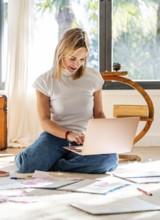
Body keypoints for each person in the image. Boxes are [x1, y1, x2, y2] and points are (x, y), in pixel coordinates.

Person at [15, 28, 118, 174]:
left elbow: (99, 113)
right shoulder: (44, 81)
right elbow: (44, 121)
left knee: (110, 160)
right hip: (55, 137)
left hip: (85, 138)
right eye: (72, 58)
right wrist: (68, 134)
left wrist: (105, 135)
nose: (76, 64)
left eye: (82, 59)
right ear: (61, 52)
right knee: (28, 166)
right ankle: (56, 159)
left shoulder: (93, 78)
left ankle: (57, 165)